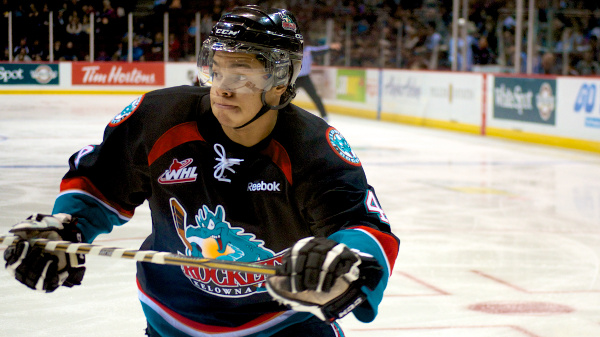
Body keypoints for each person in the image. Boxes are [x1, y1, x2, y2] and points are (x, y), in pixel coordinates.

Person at [3, 5, 399, 337]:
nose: (223, 88)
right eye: (218, 70)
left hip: (285, 323)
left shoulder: (314, 148)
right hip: (174, 319)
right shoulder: (158, 118)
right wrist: (69, 225)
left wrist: (347, 265)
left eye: (241, 75)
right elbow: (102, 181)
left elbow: (363, 227)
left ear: (280, 83)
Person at [294, 41, 342, 121]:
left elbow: (320, 50)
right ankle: (278, 113)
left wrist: (330, 47)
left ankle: (324, 115)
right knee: (286, 98)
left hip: (305, 78)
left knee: (315, 97)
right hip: (295, 79)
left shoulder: (308, 50)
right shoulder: (291, 52)